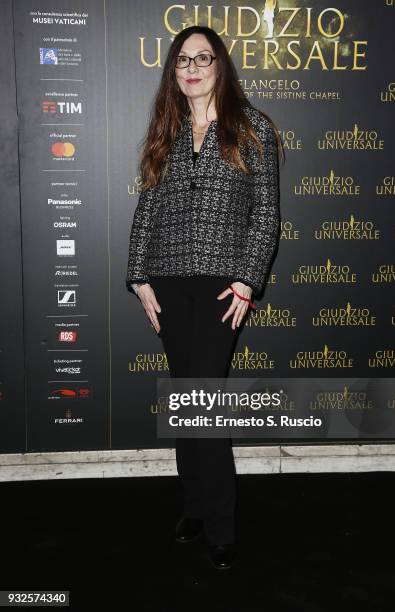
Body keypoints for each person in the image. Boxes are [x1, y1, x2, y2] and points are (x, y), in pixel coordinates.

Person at [126, 25, 282, 570]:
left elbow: (265, 214)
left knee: (203, 402)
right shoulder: (165, 129)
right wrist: (139, 277)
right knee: (183, 395)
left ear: (220, 67)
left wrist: (246, 279)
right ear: (174, 72)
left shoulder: (251, 127)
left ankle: (220, 524)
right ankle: (193, 504)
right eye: (182, 60)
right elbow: (147, 206)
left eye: (203, 58)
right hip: (167, 281)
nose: (191, 68)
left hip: (222, 287)